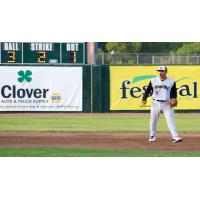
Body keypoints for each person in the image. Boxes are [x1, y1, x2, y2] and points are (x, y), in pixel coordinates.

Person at [142, 66, 183, 143]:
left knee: (170, 119)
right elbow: (148, 90)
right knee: (153, 120)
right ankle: (152, 136)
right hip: (155, 103)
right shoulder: (153, 80)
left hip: (167, 103)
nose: (160, 72)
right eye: (159, 71)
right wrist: (144, 98)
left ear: (166, 71)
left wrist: (174, 99)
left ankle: (175, 136)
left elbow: (174, 92)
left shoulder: (171, 81)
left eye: (162, 71)